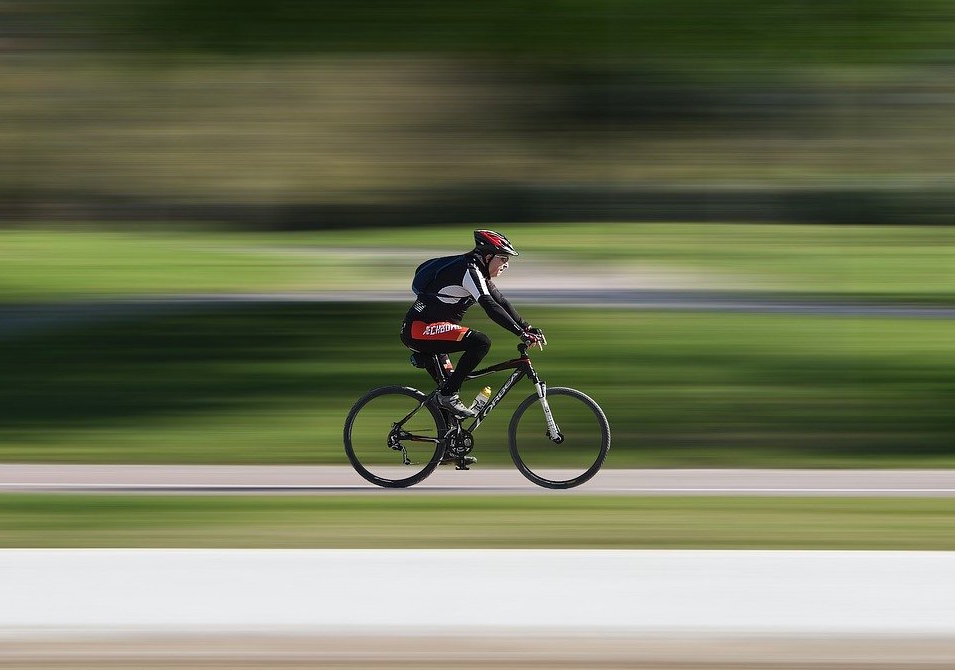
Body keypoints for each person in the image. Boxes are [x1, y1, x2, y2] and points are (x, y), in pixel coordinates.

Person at [400, 229, 544, 418]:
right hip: (420, 330)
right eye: (503, 258)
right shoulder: (469, 270)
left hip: (430, 330)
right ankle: (447, 396)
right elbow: (490, 306)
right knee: (481, 342)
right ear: (487, 256)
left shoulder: (478, 272)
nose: (506, 265)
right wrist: (520, 333)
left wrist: (526, 327)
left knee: (450, 411)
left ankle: (449, 439)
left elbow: (501, 301)